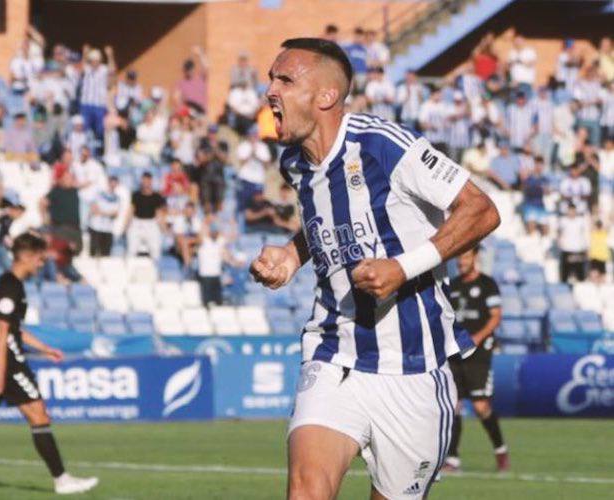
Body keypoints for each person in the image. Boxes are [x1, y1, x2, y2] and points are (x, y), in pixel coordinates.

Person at [252, 38, 499, 500]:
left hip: (414, 368)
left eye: (285, 79)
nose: (270, 90)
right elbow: (323, 219)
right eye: (271, 78)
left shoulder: (383, 144)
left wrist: (403, 268)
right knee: (306, 489)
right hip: (334, 352)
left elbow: (481, 210)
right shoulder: (294, 163)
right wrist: (291, 254)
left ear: (326, 96)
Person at [0, 232, 98, 496]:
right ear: (28, 257)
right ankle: (62, 480)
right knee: (39, 414)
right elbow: (2, 331)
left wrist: (44, 348)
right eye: (39, 260)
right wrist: (1, 371)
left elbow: (13, 328)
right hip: (8, 361)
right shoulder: (10, 287)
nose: (41, 265)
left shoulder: (9, 285)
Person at [442, 247, 509, 474]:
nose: (461, 262)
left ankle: (500, 450)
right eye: (459, 258)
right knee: (454, 405)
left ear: (475, 259)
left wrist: (477, 338)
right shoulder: (453, 285)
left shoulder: (487, 284)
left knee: (481, 407)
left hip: (479, 355)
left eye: (465, 257)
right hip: (455, 354)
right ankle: (453, 459)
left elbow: (496, 316)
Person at [80, 46, 116, 146]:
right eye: (92, 61)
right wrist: (84, 54)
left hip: (99, 105)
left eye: (96, 60)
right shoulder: (87, 69)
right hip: (86, 104)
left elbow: (112, 70)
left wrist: (110, 56)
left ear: (99, 61)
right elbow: (81, 68)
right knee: (84, 129)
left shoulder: (104, 70)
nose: (94, 63)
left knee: (99, 130)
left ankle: (99, 151)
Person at [128, 172, 167, 261]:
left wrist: (163, 228)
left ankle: (157, 272)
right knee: (131, 249)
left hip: (151, 224)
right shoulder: (135, 195)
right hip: (137, 223)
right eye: (143, 181)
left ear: (151, 181)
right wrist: (126, 226)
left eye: (147, 181)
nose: (145, 183)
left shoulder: (157, 196)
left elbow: (159, 213)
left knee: (155, 250)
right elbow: (131, 211)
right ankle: (130, 271)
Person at [0, 204, 26, 279]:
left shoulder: (10, 220)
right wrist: (3, 212)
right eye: (19, 213)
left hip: (0, 245)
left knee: (8, 265)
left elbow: (5, 233)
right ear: (14, 210)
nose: (19, 216)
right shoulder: (4, 216)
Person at [88, 176, 121, 257]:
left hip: (108, 229)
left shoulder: (117, 198)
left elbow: (115, 214)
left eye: (115, 183)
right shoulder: (99, 194)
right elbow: (94, 210)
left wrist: (102, 212)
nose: (113, 185)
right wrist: (108, 213)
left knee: (106, 255)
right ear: (108, 182)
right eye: (111, 182)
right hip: (96, 227)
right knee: (93, 253)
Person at [558, 202, 589, 282]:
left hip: (578, 250)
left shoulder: (581, 221)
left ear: (575, 211)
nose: (571, 212)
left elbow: (584, 234)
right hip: (567, 250)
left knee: (580, 275)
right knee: (565, 275)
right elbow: (559, 233)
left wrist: (586, 248)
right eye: (570, 210)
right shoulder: (562, 221)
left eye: (573, 210)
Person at [589, 219, 610, 284]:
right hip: (594, 256)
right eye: (598, 226)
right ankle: (595, 286)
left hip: (602, 257)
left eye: (599, 226)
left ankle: (601, 289)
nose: (598, 227)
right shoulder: (593, 233)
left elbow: (608, 225)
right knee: (594, 274)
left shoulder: (604, 233)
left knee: (602, 275)